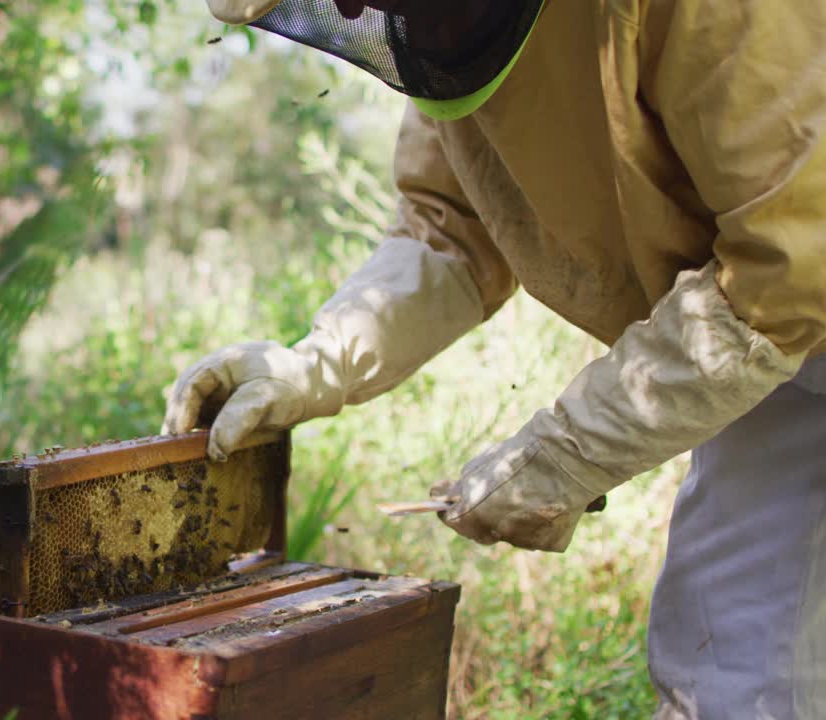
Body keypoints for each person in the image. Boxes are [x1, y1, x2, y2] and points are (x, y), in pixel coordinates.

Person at [161, 0, 826, 716]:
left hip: (784, 295)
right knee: (731, 676)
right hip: (776, 353)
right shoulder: (448, 29)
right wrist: (319, 364)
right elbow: (452, 229)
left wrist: (571, 450)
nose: (349, 7)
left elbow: (790, 264)